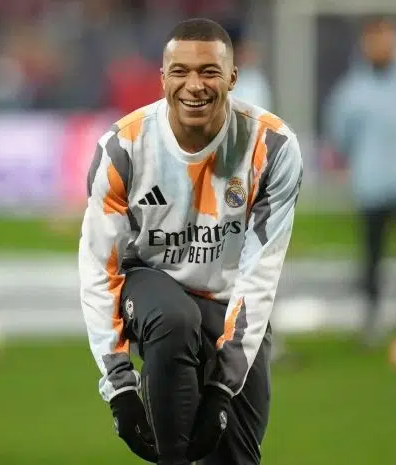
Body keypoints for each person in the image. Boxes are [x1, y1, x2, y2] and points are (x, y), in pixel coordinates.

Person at [78, 17, 303, 465]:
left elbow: (260, 272)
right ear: (162, 78)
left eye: (209, 72)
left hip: (228, 303)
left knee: (236, 457)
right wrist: (119, 384)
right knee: (174, 317)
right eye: (180, 71)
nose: (193, 85)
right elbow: (99, 268)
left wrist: (224, 384)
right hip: (151, 289)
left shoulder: (273, 148)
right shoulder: (123, 148)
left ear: (233, 78)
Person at [324, 18, 396, 347]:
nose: (380, 48)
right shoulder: (352, 91)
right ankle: (372, 316)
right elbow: (340, 134)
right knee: (373, 256)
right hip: (373, 185)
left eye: (385, 40)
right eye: (374, 41)